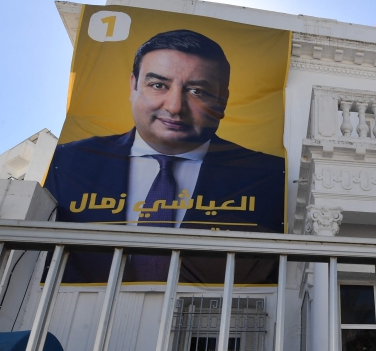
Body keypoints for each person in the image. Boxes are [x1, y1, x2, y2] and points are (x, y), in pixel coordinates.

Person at [44, 29, 285, 282]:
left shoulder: (269, 177)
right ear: (133, 86)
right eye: (158, 85)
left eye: (197, 91)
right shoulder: (70, 161)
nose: (174, 107)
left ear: (222, 101)